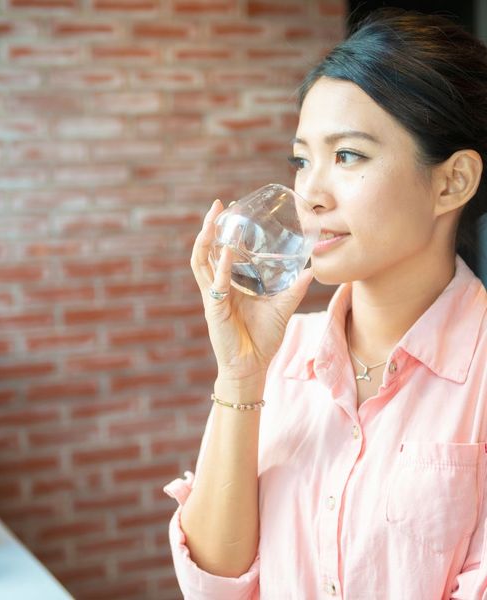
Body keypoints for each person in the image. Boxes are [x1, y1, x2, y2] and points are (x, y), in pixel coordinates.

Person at [163, 8, 487, 599]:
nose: (308, 193)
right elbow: (217, 581)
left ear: (452, 183)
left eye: (348, 156)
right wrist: (240, 376)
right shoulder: (284, 354)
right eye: (301, 160)